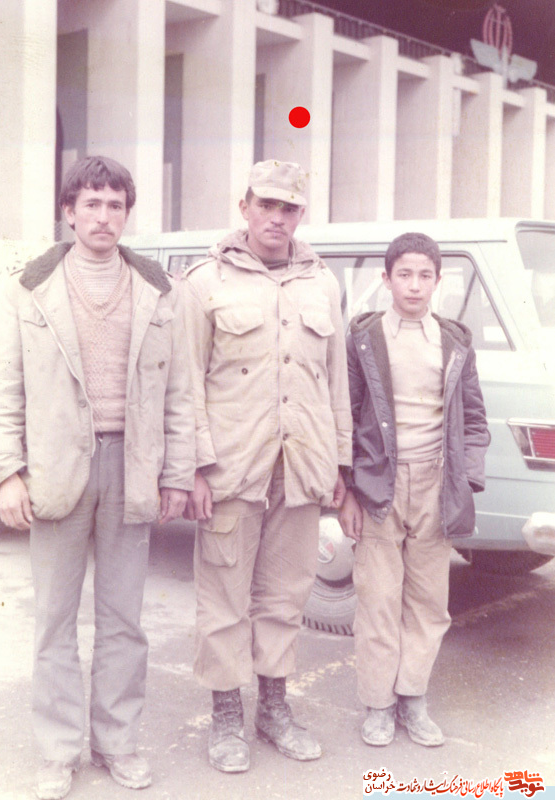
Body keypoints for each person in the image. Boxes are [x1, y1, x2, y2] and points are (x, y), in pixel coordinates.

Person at [0, 156, 195, 799]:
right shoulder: (27, 289)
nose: (103, 217)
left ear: (126, 214)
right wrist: (7, 474)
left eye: (115, 205)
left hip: (132, 468)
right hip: (56, 469)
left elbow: (180, 390)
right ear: (69, 212)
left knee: (123, 620)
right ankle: (58, 753)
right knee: (54, 620)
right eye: (91, 204)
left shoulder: (159, 290)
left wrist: (176, 474)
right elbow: (5, 389)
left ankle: (118, 743)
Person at [182, 159, 352, 773]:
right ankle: (227, 716)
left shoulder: (322, 284)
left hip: (300, 468)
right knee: (224, 599)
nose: (277, 218)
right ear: (245, 207)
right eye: (267, 205)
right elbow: (186, 384)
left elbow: (335, 382)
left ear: (301, 214)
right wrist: (193, 467)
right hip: (231, 469)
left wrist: (339, 462)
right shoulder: (204, 282)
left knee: (285, 597)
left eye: (289, 208)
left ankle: (274, 710)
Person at [339, 232, 489, 748]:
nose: (414, 285)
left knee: (428, 601)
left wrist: (465, 480)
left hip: (436, 485)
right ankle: (379, 705)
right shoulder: (363, 339)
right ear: (386, 279)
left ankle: (413, 699)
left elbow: (474, 420)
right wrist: (348, 491)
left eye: (425, 275)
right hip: (378, 486)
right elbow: (345, 417)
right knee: (378, 600)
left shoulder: (454, 341)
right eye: (404, 274)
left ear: (438, 281)